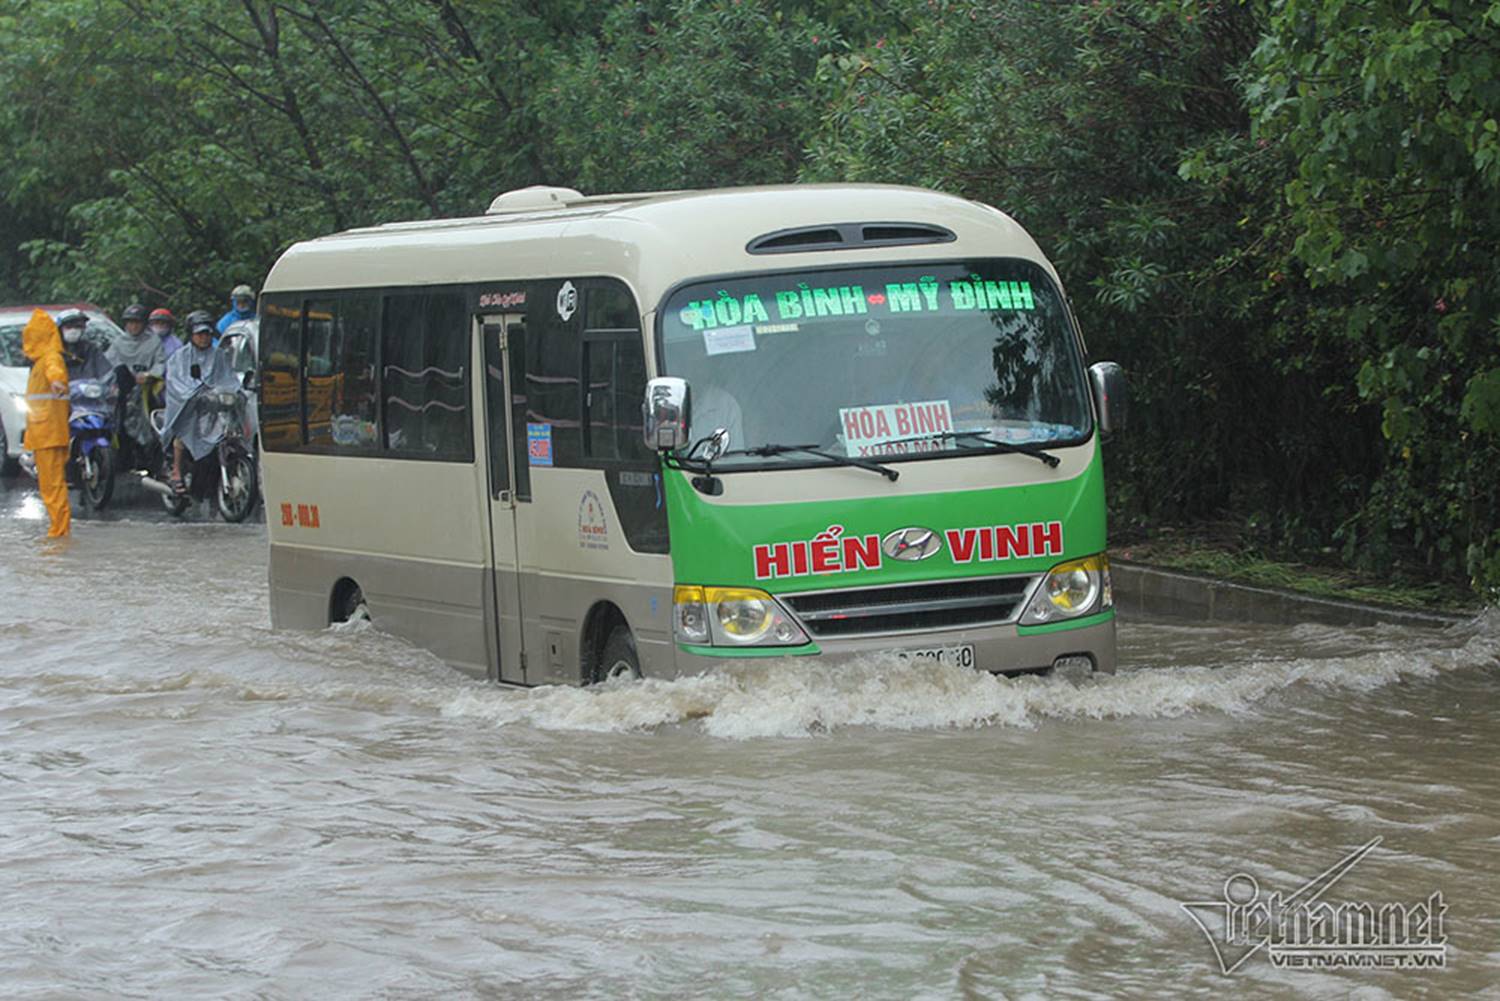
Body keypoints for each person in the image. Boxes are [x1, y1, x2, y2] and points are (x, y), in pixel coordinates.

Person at [161, 310, 233, 496]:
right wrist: (193, 393)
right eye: (199, 334)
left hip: (213, 408)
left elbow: (228, 379)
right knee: (184, 432)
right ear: (191, 335)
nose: (204, 338)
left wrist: (229, 392)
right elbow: (177, 382)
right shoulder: (180, 357)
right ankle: (176, 471)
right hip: (187, 408)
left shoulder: (220, 355)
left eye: (207, 334)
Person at [21, 309, 70, 537]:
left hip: (49, 432)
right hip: (45, 432)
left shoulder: (50, 358)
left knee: (53, 487)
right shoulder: (42, 360)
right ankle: (58, 529)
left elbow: (55, 372)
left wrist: (57, 382)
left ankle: (59, 532)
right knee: (51, 486)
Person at [107, 303, 167, 456]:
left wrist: (149, 375)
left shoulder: (153, 342)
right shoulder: (118, 342)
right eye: (130, 322)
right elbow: (108, 364)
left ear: (144, 324)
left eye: (137, 322)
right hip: (122, 390)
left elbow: (161, 363)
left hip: (147, 389)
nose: (133, 326)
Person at [56, 308, 113, 383]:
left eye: (78, 326)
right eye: (69, 326)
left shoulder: (91, 350)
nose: (73, 330)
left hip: (91, 392)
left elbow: (106, 373)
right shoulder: (52, 351)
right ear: (59, 329)